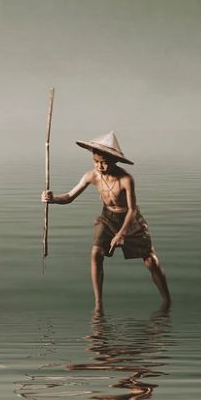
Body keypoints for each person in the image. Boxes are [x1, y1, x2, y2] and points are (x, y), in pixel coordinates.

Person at [41, 132, 171, 309]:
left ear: (114, 161)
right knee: (96, 253)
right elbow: (70, 196)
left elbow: (132, 210)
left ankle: (166, 300)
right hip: (108, 217)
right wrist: (53, 199)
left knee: (150, 260)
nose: (99, 166)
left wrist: (121, 233)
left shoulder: (126, 179)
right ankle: (98, 304)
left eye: (104, 162)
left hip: (130, 219)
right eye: (96, 161)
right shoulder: (92, 176)